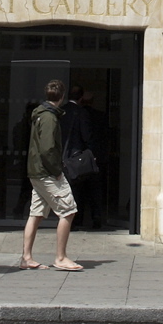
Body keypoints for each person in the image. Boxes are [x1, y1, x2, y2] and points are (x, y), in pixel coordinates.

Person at [20, 79, 82, 271]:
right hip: (46, 172)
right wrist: (56, 171)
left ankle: (26, 257)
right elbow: (48, 149)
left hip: (37, 171)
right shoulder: (49, 117)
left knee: (36, 213)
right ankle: (61, 257)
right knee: (68, 210)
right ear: (62, 97)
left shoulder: (39, 114)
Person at [64, 85, 104, 230]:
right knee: (83, 190)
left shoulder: (60, 112)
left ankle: (72, 220)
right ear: (81, 98)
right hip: (78, 158)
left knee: (70, 190)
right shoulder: (81, 113)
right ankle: (84, 219)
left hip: (62, 158)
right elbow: (87, 137)